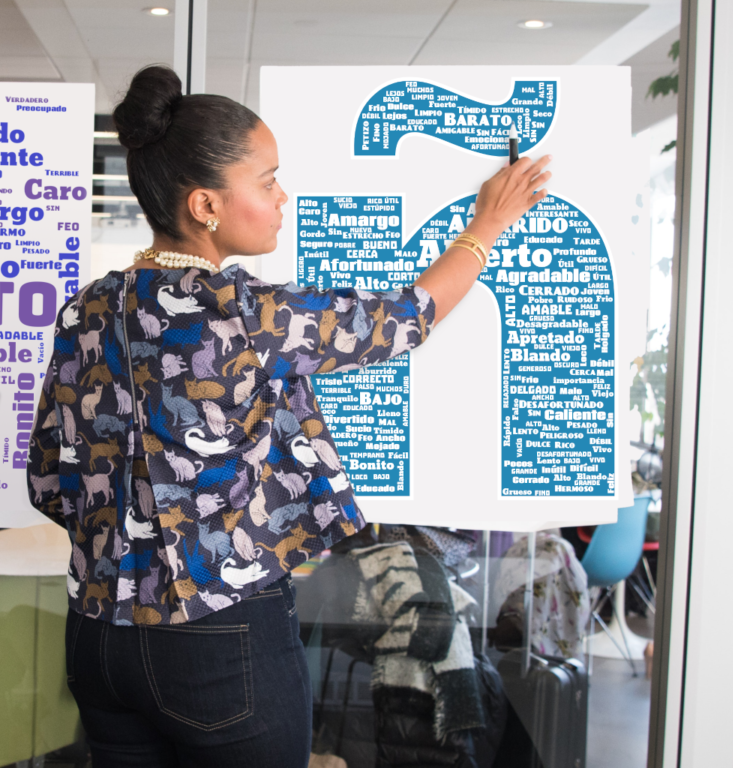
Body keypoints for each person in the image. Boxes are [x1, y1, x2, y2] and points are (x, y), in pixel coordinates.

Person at [27, 65, 551, 768]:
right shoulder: (246, 313)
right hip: (218, 641)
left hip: (97, 639)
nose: (284, 197)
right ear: (206, 204)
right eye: (269, 180)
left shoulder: (84, 310)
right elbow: (405, 319)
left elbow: (49, 480)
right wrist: (488, 224)